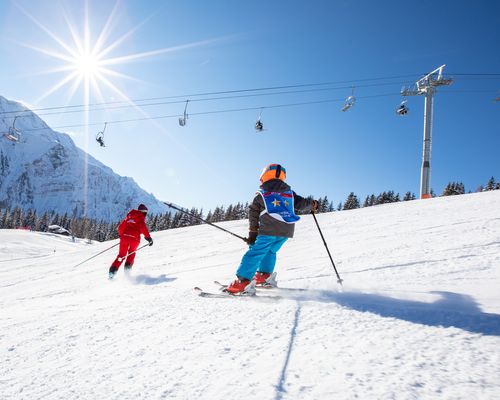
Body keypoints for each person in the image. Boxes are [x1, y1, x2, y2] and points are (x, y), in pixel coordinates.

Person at [226, 164, 317, 294]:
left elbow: (253, 213)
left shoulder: (261, 194)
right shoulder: (289, 194)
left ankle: (243, 282)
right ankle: (264, 276)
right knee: (270, 251)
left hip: (268, 230)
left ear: (264, 176)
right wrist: (313, 204)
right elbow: (302, 204)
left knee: (256, 252)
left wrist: (253, 233)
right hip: (286, 231)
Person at [109, 204, 153, 279]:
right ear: (143, 212)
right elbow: (143, 228)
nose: (145, 215)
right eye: (145, 213)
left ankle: (111, 274)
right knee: (131, 254)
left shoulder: (129, 217)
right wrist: (148, 238)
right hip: (135, 239)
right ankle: (127, 273)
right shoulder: (140, 218)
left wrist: (122, 236)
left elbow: (121, 227)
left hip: (124, 238)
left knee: (121, 256)